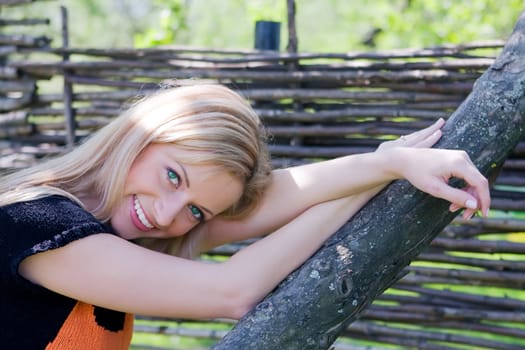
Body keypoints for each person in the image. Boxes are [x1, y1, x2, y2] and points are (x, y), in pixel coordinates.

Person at [0, 83, 490, 349]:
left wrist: (388, 164)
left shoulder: (117, 233)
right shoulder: (38, 223)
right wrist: (382, 169)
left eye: (196, 210)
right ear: (140, 135)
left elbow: (271, 200)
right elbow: (231, 292)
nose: (167, 215)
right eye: (173, 175)